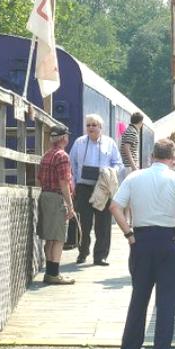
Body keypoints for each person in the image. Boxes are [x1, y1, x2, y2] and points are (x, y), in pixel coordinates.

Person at [109, 139, 175, 349]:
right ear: (174, 157)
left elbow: (115, 207)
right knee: (167, 300)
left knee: (139, 296)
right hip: (170, 239)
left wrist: (129, 234)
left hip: (141, 239)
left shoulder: (134, 178)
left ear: (152, 156)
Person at [69, 114, 123, 266]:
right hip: (84, 187)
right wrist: (73, 183)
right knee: (83, 222)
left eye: (94, 125)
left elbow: (118, 164)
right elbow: (71, 163)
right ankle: (82, 252)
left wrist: (109, 171)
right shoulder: (79, 142)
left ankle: (100, 256)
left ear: (101, 127)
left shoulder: (110, 143)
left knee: (103, 223)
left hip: (103, 187)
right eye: (88, 125)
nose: (91, 128)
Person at [37, 126, 76, 285]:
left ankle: (49, 272)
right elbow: (64, 182)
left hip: (45, 196)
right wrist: (70, 205)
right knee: (59, 238)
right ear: (64, 138)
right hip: (57, 198)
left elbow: (39, 178)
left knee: (49, 238)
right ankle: (54, 274)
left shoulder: (46, 155)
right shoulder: (62, 156)